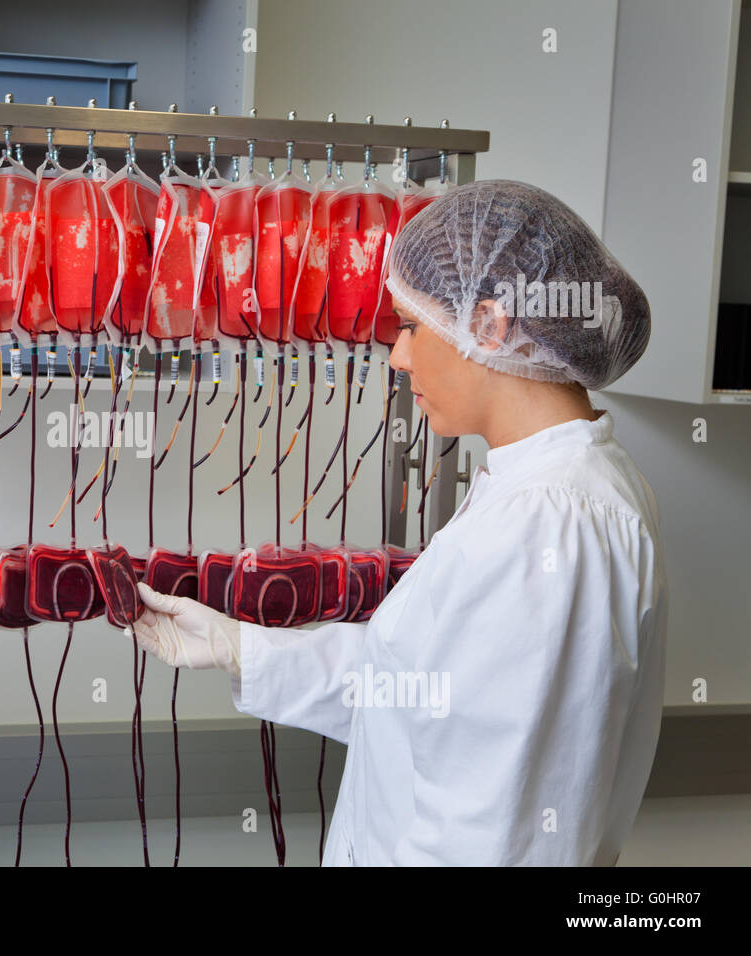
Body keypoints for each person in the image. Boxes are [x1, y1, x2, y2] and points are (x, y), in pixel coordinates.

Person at [133, 179, 667, 866]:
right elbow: (422, 687)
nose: (398, 356)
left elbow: (496, 830)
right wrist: (243, 648)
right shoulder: (533, 491)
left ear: (490, 324)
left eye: (411, 325)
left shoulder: (555, 525)